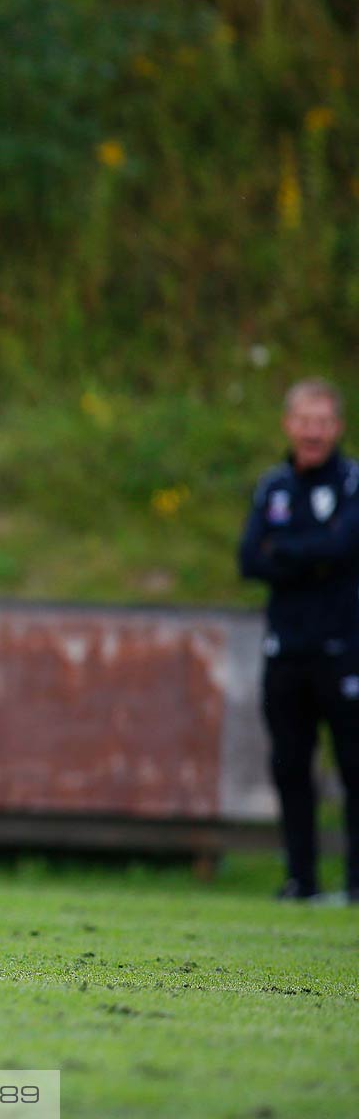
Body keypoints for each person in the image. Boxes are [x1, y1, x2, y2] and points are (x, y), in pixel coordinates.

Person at [238, 377, 359, 903]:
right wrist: (314, 555)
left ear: (338, 427)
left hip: (344, 649)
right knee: (290, 765)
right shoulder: (273, 486)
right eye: (304, 420)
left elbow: (343, 547)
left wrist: (286, 552)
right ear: (289, 424)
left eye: (323, 421)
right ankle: (301, 879)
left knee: (355, 766)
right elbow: (249, 559)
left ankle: (356, 883)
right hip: (285, 649)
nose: (313, 431)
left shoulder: (354, 483)